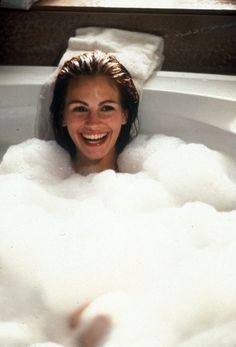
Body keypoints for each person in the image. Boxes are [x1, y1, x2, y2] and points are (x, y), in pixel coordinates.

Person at [50, 50, 139, 175]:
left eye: (106, 108)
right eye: (80, 109)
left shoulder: (146, 183)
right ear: (62, 116)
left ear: (124, 114)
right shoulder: (39, 180)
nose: (93, 123)